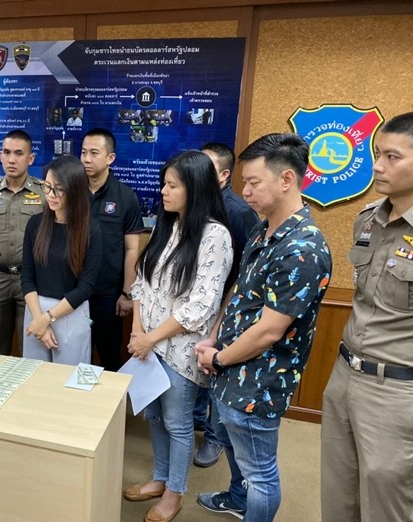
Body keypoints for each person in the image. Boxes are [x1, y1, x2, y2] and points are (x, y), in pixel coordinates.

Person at [195, 133, 332, 521]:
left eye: (254, 182)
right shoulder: (263, 228)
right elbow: (239, 291)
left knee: (261, 473)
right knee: (235, 447)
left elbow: (270, 330)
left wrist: (218, 358)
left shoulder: (303, 248)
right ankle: (238, 498)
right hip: (229, 367)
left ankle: (250, 502)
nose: (245, 191)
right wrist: (213, 338)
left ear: (286, 179)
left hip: (258, 382)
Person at [123, 151, 233, 522]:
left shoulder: (215, 235)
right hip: (149, 345)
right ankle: (159, 478)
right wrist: (138, 331)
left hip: (179, 350)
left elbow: (201, 306)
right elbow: (141, 283)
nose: (164, 192)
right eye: (164, 184)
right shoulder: (166, 226)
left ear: (195, 188)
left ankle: (175, 492)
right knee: (154, 417)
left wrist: (151, 337)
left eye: (172, 186)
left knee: (178, 422)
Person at [321, 112, 413, 522]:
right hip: (345, 375)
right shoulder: (368, 219)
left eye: (392, 157)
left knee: (387, 503)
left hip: (397, 390)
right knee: (338, 494)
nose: (377, 166)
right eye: (377, 154)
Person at [193, 142, 260, 468]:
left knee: (216, 371)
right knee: (196, 363)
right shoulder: (197, 202)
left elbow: (246, 269)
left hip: (225, 306)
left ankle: (214, 437)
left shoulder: (238, 211)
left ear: (223, 175)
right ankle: (196, 418)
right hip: (197, 304)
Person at [21, 155, 101, 365]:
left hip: (69, 313)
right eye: (47, 187)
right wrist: (39, 319)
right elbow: (27, 277)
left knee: (68, 379)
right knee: (35, 376)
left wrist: (47, 318)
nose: (51, 194)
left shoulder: (90, 229)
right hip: (35, 310)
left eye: (59, 189)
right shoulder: (35, 224)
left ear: (75, 190)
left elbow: (85, 287)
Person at [0, 130, 44, 356]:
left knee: (30, 346)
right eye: (7, 152)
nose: (12, 159)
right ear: (0, 155)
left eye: (19, 153)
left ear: (30, 158)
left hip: (31, 280)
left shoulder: (43, 193)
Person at [80, 128, 144, 370]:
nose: (86, 159)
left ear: (110, 158)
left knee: (110, 357)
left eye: (94, 153)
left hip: (108, 294)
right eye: (83, 152)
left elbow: (132, 249)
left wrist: (127, 293)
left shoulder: (125, 196)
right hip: (74, 292)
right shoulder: (72, 192)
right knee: (75, 356)